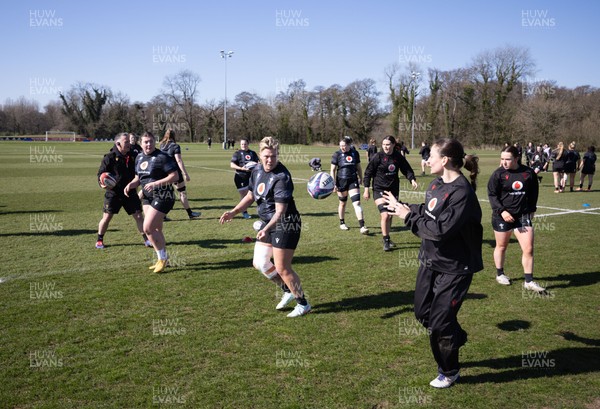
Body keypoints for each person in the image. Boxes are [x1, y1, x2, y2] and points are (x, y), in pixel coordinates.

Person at [383, 138, 483, 389]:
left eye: (431, 157)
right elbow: (429, 211)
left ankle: (449, 371)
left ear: (445, 160)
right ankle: (456, 335)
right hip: (430, 261)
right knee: (422, 313)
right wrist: (404, 207)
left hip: (455, 267)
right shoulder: (436, 183)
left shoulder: (462, 193)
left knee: (439, 322)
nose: (427, 161)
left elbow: (440, 230)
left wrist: (407, 218)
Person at [219, 136, 311, 318]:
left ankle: (303, 303)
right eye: (266, 156)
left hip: (286, 223)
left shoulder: (282, 177)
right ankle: (288, 290)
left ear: (278, 155)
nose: (270, 160)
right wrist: (233, 212)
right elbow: (251, 195)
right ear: (260, 154)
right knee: (260, 263)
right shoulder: (257, 170)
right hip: (269, 224)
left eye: (274, 156)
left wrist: (266, 228)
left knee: (283, 267)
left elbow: (280, 212)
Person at [487, 146, 545, 292]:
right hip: (502, 216)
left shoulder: (528, 173)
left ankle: (529, 281)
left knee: (529, 248)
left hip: (522, 216)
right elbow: (492, 195)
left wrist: (532, 209)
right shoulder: (498, 174)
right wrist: (502, 211)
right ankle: (500, 274)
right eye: (502, 159)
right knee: (501, 246)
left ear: (516, 158)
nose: (504, 162)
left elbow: (533, 193)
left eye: (507, 159)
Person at [125, 132, 179, 273]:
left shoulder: (162, 157)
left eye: (150, 141)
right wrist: (131, 184)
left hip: (163, 196)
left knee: (147, 228)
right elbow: (139, 177)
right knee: (156, 230)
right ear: (140, 143)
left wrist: (156, 184)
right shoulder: (139, 157)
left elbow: (175, 176)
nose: (148, 144)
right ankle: (163, 258)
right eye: (145, 142)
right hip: (148, 197)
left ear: (155, 142)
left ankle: (162, 259)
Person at [96, 133, 150, 249]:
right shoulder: (109, 157)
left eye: (129, 142)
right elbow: (100, 175)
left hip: (130, 192)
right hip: (113, 193)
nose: (129, 144)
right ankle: (100, 239)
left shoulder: (133, 156)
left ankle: (146, 240)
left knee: (139, 217)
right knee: (107, 217)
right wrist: (103, 184)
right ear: (118, 143)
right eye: (126, 142)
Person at [363, 135, 418, 251]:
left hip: (393, 190)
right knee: (385, 214)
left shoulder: (398, 157)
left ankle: (387, 237)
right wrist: (366, 189)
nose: (386, 147)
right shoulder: (377, 157)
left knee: (390, 215)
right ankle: (386, 240)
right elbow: (368, 172)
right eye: (384, 145)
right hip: (379, 189)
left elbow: (406, 169)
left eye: (388, 144)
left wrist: (412, 179)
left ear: (393, 145)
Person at [159, 129, 201, 219]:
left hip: (164, 172)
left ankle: (163, 215)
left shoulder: (162, 146)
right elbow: (178, 160)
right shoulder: (175, 146)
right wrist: (185, 174)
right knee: (182, 192)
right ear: (174, 136)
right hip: (175, 172)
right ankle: (190, 213)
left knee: (166, 194)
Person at [330, 138, 368, 234]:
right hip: (341, 181)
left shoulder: (355, 153)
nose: (342, 147)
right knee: (342, 203)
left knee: (357, 203)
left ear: (349, 145)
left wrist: (361, 178)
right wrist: (333, 183)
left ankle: (362, 226)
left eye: (344, 145)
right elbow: (332, 170)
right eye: (341, 146)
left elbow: (358, 167)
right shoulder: (336, 154)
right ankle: (342, 223)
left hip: (353, 180)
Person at [230, 138, 260, 219]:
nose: (243, 145)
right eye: (242, 144)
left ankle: (260, 209)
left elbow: (258, 163)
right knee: (244, 195)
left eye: (245, 144)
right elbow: (232, 165)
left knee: (255, 194)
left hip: (252, 177)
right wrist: (242, 168)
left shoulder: (252, 153)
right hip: (240, 177)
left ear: (248, 144)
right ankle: (244, 212)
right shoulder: (237, 153)